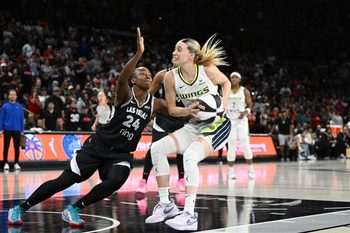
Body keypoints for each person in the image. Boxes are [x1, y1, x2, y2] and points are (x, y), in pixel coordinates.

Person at [7, 27, 167, 227]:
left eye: (149, 74)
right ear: (133, 80)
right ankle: (20, 207)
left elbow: (172, 105)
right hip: (98, 146)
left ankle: (74, 208)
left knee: (117, 179)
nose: (148, 76)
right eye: (143, 73)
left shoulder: (153, 102)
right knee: (63, 182)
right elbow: (122, 79)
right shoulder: (125, 94)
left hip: (120, 154)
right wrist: (138, 54)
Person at [145, 35, 231, 231]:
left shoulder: (207, 71)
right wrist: (187, 111)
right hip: (193, 123)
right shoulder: (169, 77)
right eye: (174, 49)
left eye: (179, 49)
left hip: (217, 124)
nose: (174, 52)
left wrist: (223, 103)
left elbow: (225, 83)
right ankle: (166, 205)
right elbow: (173, 109)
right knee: (157, 148)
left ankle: (190, 215)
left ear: (192, 55)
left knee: (190, 155)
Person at [136, 66, 186, 194]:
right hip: (165, 116)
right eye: (174, 54)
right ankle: (144, 180)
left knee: (182, 149)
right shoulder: (162, 75)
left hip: (182, 117)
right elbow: (149, 95)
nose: (176, 56)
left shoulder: (192, 75)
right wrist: (147, 113)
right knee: (155, 147)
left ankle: (181, 179)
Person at [226, 72, 255, 179]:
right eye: (232, 77)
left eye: (236, 77)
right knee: (231, 146)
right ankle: (231, 171)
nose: (234, 79)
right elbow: (222, 104)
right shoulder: (226, 90)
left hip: (242, 122)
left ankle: (251, 169)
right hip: (231, 121)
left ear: (239, 79)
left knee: (245, 145)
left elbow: (250, 105)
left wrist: (246, 111)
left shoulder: (244, 91)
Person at [0, 89, 24, 171]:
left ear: (16, 96)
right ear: (8, 96)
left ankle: (16, 163)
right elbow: (2, 118)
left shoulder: (20, 106)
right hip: (7, 130)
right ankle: (5, 162)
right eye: (11, 94)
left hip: (17, 130)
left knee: (16, 147)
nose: (12, 96)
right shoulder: (4, 106)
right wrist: (0, 129)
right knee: (6, 147)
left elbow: (21, 119)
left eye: (14, 94)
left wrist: (22, 130)